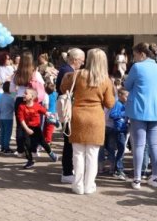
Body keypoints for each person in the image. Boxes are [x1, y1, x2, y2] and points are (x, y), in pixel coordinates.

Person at [60, 48, 114, 194]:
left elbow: (63, 88)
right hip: (96, 118)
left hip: (77, 116)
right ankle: (89, 185)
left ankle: (77, 185)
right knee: (92, 154)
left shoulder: (77, 75)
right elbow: (110, 103)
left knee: (77, 154)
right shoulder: (105, 79)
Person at [124, 43, 157, 189]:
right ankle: (155, 177)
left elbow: (127, 86)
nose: (134, 58)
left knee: (139, 144)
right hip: (156, 110)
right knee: (154, 144)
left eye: (135, 55)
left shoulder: (137, 67)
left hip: (139, 109)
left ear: (142, 54)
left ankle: (137, 179)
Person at [55, 48, 85, 184]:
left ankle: (68, 170)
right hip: (68, 109)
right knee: (69, 141)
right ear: (75, 59)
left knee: (69, 141)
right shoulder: (68, 71)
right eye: (81, 61)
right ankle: (67, 171)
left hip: (66, 108)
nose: (83, 64)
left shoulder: (65, 69)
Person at [10, 52, 45, 156]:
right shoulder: (35, 73)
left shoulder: (16, 74)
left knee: (20, 125)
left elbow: (11, 89)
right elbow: (41, 87)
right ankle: (33, 150)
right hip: (32, 101)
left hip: (19, 99)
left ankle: (20, 150)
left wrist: (16, 95)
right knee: (33, 125)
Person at [17, 89, 58, 170]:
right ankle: (30, 160)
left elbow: (45, 112)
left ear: (32, 97)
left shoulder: (37, 106)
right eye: (24, 93)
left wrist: (51, 117)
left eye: (26, 93)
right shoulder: (21, 106)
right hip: (26, 128)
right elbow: (21, 119)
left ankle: (51, 153)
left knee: (43, 143)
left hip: (36, 128)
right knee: (26, 144)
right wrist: (27, 129)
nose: (23, 95)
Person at [108, 88, 129, 180]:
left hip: (123, 129)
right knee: (121, 149)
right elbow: (112, 115)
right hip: (119, 129)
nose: (127, 98)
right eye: (126, 96)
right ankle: (118, 170)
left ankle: (119, 168)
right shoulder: (117, 104)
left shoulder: (123, 104)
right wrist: (124, 113)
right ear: (120, 95)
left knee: (121, 149)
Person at [0, 82, 15, 154]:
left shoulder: (1, 96)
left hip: (1, 116)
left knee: (2, 132)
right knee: (7, 133)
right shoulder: (10, 97)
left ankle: (2, 146)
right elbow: (13, 106)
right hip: (8, 117)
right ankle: (6, 147)